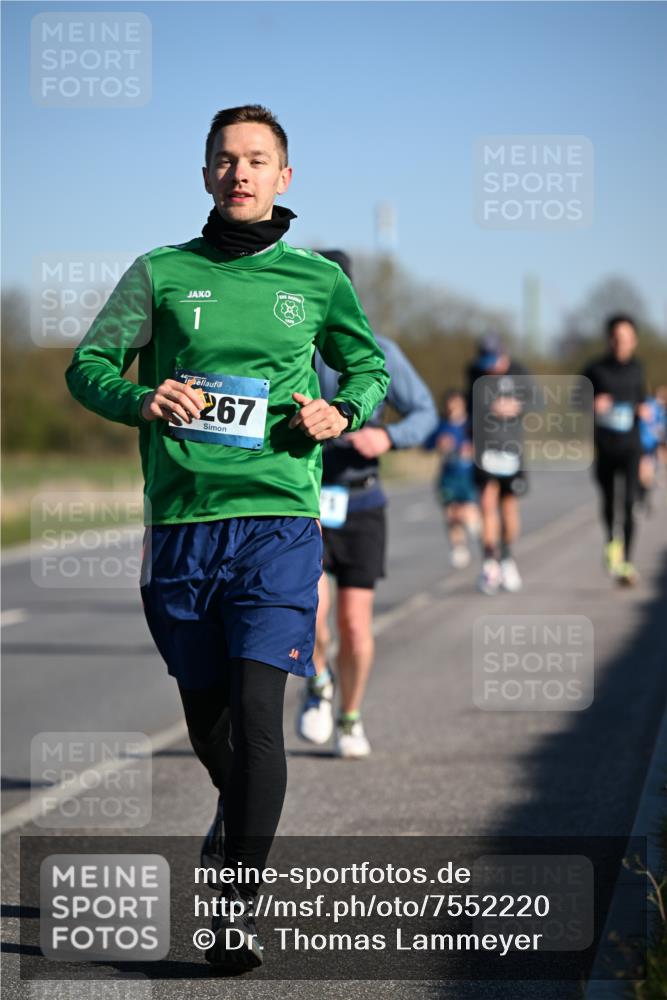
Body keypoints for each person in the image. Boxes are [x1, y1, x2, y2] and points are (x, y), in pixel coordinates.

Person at [65, 105, 389, 970]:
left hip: (278, 524)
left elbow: (367, 367)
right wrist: (142, 397)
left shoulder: (318, 279)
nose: (239, 173)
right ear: (205, 173)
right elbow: (87, 367)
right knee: (214, 732)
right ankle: (233, 819)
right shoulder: (159, 273)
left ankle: (234, 909)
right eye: (224, 159)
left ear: (284, 176)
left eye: (256, 159)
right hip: (182, 528)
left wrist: (342, 410)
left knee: (258, 718)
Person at [296, 250, 437, 758]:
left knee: (354, 626)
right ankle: (318, 684)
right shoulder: (291, 349)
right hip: (306, 502)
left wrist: (389, 438)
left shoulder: (380, 350)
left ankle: (350, 718)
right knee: (311, 617)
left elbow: (425, 413)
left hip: (361, 504)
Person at [582, 314, 648, 585]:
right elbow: (575, 400)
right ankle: (612, 540)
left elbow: (642, 401)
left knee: (630, 503)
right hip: (605, 447)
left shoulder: (638, 369)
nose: (622, 343)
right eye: (617, 338)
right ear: (610, 339)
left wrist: (643, 410)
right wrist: (592, 403)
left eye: (627, 338)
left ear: (634, 340)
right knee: (610, 501)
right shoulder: (595, 369)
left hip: (631, 447)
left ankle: (627, 562)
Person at [466, 334, 533, 596]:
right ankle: (489, 562)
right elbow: (468, 407)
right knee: (486, 503)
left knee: (509, 506)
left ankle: (506, 557)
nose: (490, 368)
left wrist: (516, 406)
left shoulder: (519, 372)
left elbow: (536, 401)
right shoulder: (474, 374)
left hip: (511, 451)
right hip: (485, 450)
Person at [424, 389, 480, 569]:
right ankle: (458, 547)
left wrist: (472, 449)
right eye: (449, 405)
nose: (452, 409)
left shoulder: (471, 425)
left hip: (468, 475)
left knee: (466, 511)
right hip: (448, 476)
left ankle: (476, 526)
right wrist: (438, 443)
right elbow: (426, 445)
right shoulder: (441, 426)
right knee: (450, 514)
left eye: (456, 405)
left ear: (463, 405)